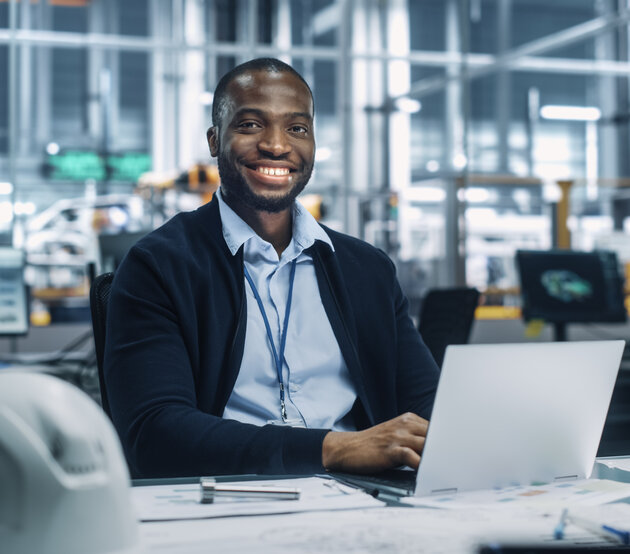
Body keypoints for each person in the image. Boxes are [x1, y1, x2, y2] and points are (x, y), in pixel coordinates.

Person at [104, 58, 440, 479]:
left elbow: (431, 413)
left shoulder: (367, 270)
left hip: (363, 502)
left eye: (297, 129)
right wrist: (333, 448)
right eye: (250, 125)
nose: (277, 146)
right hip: (229, 500)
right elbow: (154, 435)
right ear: (214, 140)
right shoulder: (159, 266)